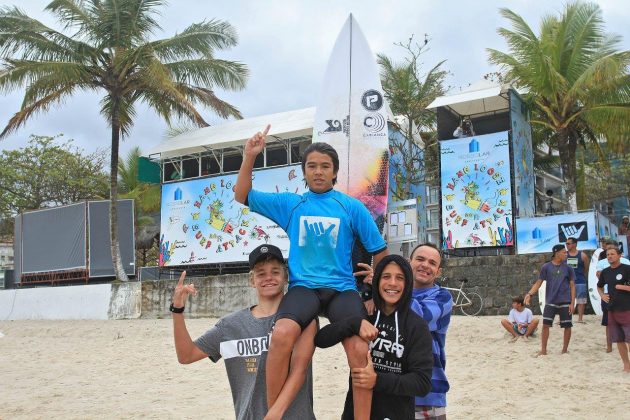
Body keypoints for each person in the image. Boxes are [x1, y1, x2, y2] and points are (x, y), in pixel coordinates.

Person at [234, 125, 388, 420]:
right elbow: (242, 195)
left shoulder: (351, 207)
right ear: (304, 172)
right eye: (312, 166)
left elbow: (379, 250)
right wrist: (249, 156)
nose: (318, 171)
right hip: (304, 289)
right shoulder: (291, 204)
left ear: (335, 173)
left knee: (358, 351)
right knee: (281, 334)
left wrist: (372, 290)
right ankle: (275, 411)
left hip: (342, 290)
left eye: (325, 167)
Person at [171, 244, 316, 420]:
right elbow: (186, 355)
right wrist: (177, 309)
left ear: (286, 277)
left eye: (275, 272)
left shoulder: (301, 319)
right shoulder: (230, 326)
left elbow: (300, 370)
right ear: (251, 280)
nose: (268, 278)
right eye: (261, 273)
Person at [314, 254, 434, 419]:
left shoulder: (417, 326)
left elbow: (422, 383)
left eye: (399, 278)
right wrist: (354, 323)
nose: (392, 283)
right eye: (386, 276)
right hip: (354, 412)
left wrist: (377, 380)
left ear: (407, 284)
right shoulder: (364, 315)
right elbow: (321, 340)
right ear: (377, 281)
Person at [409, 243, 453, 419]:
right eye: (420, 259)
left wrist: (388, 288)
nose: (425, 265)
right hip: (392, 389)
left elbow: (417, 319)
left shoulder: (442, 297)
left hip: (427, 392)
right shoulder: (391, 293)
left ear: (438, 272)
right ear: (408, 262)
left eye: (432, 263)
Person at [524, 244, 576, 355]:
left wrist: (572, 302)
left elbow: (572, 286)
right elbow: (539, 282)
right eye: (564, 252)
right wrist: (530, 294)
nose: (566, 254)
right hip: (551, 300)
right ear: (556, 253)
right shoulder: (546, 267)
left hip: (565, 300)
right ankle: (543, 350)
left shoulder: (569, 268)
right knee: (546, 325)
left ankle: (565, 350)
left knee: (567, 325)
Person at [597, 247, 630, 372]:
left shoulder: (627, 269)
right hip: (612, 308)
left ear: (619, 255)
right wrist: (602, 295)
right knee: (619, 339)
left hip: (627, 308)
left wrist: (620, 286)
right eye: (607, 255)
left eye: (612, 254)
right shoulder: (605, 272)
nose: (609, 256)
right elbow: (599, 286)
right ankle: (626, 365)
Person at [565, 237, 589, 323]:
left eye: (568, 243)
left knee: (581, 300)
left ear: (574, 244)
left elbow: (586, 268)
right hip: (566, 282)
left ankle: (580, 319)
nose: (566, 245)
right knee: (565, 300)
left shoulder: (583, 255)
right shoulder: (564, 255)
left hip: (579, 281)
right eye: (566, 243)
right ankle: (564, 318)